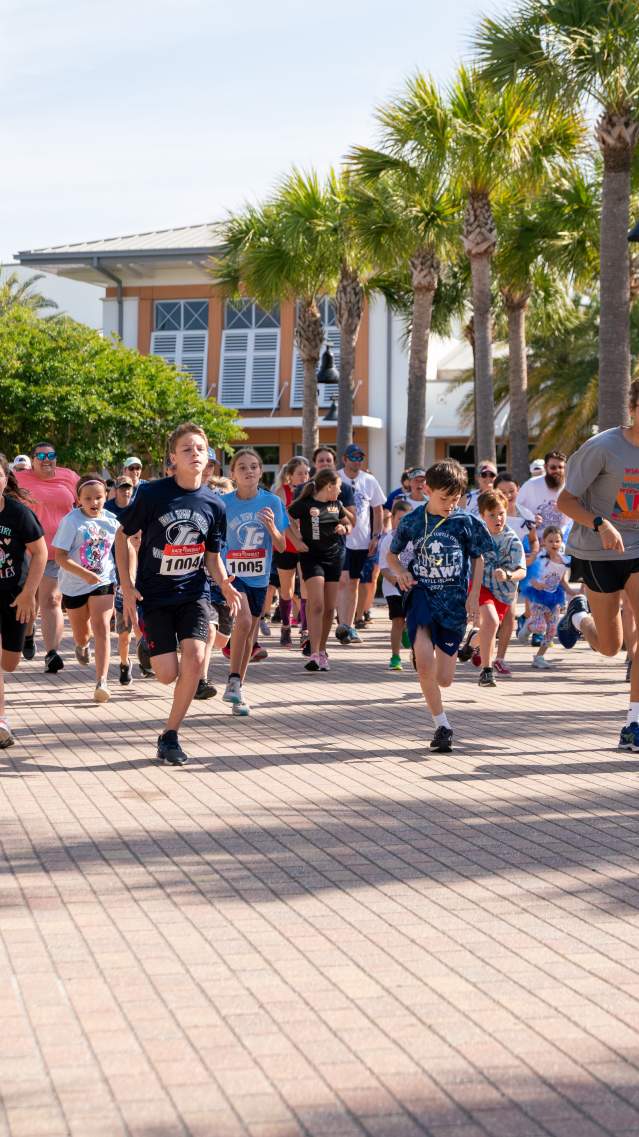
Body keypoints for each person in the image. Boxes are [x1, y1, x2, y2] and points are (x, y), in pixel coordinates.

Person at [115, 422, 241, 766]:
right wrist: (127, 586)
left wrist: (226, 583)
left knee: (197, 658)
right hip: (154, 597)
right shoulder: (154, 494)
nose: (195, 454)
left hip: (193, 593)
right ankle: (149, 646)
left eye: (200, 448)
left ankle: (170, 734)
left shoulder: (214, 505)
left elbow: (212, 557)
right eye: (187, 449)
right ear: (173, 457)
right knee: (167, 674)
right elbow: (122, 536)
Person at [386, 459, 493, 753]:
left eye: (455, 499)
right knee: (423, 660)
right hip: (421, 595)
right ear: (427, 490)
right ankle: (442, 725)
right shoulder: (412, 521)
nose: (450, 504)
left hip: (454, 603)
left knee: (444, 679)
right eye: (444, 498)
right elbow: (392, 555)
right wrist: (401, 573)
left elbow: (479, 557)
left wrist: (473, 594)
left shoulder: (465, 522)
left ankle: (458, 647)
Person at [555, 379, 639, 750]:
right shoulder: (602, 448)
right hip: (598, 551)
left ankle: (633, 723)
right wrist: (600, 523)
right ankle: (578, 616)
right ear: (634, 408)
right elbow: (566, 501)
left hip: (637, 547)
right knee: (609, 646)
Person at [221, 448, 292, 716]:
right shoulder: (224, 503)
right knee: (245, 622)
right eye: (242, 467)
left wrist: (273, 528)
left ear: (261, 471)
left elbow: (282, 546)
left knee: (249, 635)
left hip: (259, 576)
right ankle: (233, 679)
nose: (249, 471)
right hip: (233, 575)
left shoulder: (272, 502)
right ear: (233, 474)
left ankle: (237, 688)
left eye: (253, 466)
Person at [52, 475, 120, 702]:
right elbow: (59, 557)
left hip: (103, 581)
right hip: (74, 585)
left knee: (102, 627)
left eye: (99, 497)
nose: (94, 502)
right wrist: (84, 574)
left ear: (106, 497)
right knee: (82, 634)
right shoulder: (71, 522)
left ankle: (102, 681)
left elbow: (124, 546)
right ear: (78, 499)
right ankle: (82, 645)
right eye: (88, 498)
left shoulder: (112, 521)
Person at [14, 442, 79, 671]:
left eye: (51, 454)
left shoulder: (69, 477)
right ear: (33, 459)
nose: (46, 459)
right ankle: (29, 633)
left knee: (52, 599)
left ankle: (52, 653)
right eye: (41, 455)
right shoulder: (19, 479)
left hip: (58, 551)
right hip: (27, 551)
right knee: (30, 599)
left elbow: (89, 499)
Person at [0, 455, 47, 748]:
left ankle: (26, 637)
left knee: (10, 662)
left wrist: (29, 593)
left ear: (6, 479)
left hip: (15, 596)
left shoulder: (18, 514)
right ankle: (2, 721)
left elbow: (40, 553)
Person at [458, 490, 526, 687]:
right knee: (491, 621)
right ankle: (487, 672)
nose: (498, 518)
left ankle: (472, 642)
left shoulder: (512, 540)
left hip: (504, 593)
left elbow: (522, 571)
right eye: (492, 515)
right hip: (481, 586)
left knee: (489, 627)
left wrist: (508, 575)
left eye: (501, 513)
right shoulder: (478, 536)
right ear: (482, 515)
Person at [287, 468, 351, 671]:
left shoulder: (336, 505)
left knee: (330, 608)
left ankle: (322, 651)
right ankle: (313, 652)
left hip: (334, 558)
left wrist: (344, 528)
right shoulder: (305, 504)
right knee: (317, 604)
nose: (340, 491)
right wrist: (296, 540)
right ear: (329, 486)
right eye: (338, 487)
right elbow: (285, 518)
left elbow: (348, 522)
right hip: (311, 557)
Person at [336, 444, 385, 644]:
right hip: (340, 538)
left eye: (360, 457)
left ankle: (349, 625)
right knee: (343, 581)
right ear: (344, 459)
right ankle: (341, 625)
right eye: (353, 457)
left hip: (362, 540)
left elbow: (378, 509)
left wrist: (376, 536)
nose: (357, 461)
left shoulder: (369, 480)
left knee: (354, 583)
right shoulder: (336, 478)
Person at [492, 472, 540, 673]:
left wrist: (533, 554)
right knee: (491, 620)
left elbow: (534, 540)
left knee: (510, 619)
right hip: (491, 575)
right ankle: (476, 646)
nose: (508, 495)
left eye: (511, 491)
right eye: (503, 492)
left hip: (513, 576)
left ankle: (500, 658)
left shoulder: (526, 515)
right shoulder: (489, 514)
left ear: (518, 490)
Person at [518, 525, 575, 670]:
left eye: (557, 541)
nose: (554, 544)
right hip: (538, 596)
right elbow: (528, 573)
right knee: (539, 627)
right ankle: (527, 627)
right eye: (550, 541)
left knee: (551, 630)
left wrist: (571, 592)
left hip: (554, 597)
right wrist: (535, 583)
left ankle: (539, 657)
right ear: (544, 541)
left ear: (561, 542)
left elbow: (562, 581)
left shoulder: (564, 561)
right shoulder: (540, 557)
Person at [274, 457, 308, 648]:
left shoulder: (311, 493)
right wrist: (296, 536)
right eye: (300, 473)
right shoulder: (281, 492)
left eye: (306, 472)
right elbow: (284, 521)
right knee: (286, 589)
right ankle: (286, 626)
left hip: (305, 546)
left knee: (305, 588)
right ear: (290, 475)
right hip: (286, 545)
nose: (304, 476)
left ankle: (305, 628)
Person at [378, 498, 413, 670]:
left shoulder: (416, 539)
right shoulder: (387, 540)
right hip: (393, 587)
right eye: (400, 519)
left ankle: (409, 633)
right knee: (397, 620)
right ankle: (395, 657)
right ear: (393, 519)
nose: (403, 523)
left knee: (413, 619)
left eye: (407, 519)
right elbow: (384, 569)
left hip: (412, 585)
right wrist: (398, 581)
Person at [517, 450, 570, 537]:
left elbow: (570, 521)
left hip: (560, 541)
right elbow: (516, 508)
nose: (557, 470)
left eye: (560, 467)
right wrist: (530, 519)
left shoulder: (569, 487)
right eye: (553, 467)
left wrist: (564, 510)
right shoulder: (531, 484)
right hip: (535, 540)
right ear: (545, 467)